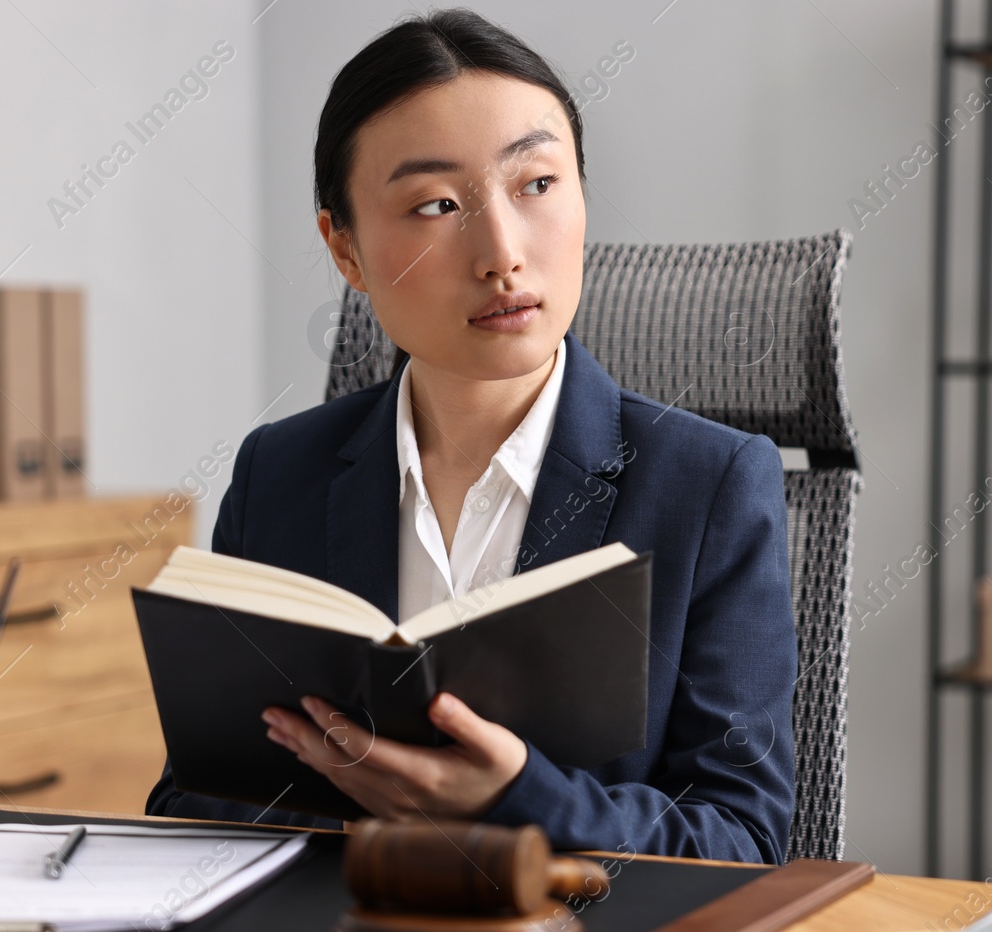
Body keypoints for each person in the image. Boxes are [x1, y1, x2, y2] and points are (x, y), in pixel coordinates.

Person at [146, 8, 798, 864]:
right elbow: (196, 796)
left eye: (536, 185)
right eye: (436, 204)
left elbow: (743, 840)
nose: (500, 252)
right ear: (344, 250)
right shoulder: (279, 474)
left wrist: (516, 798)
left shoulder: (710, 485)